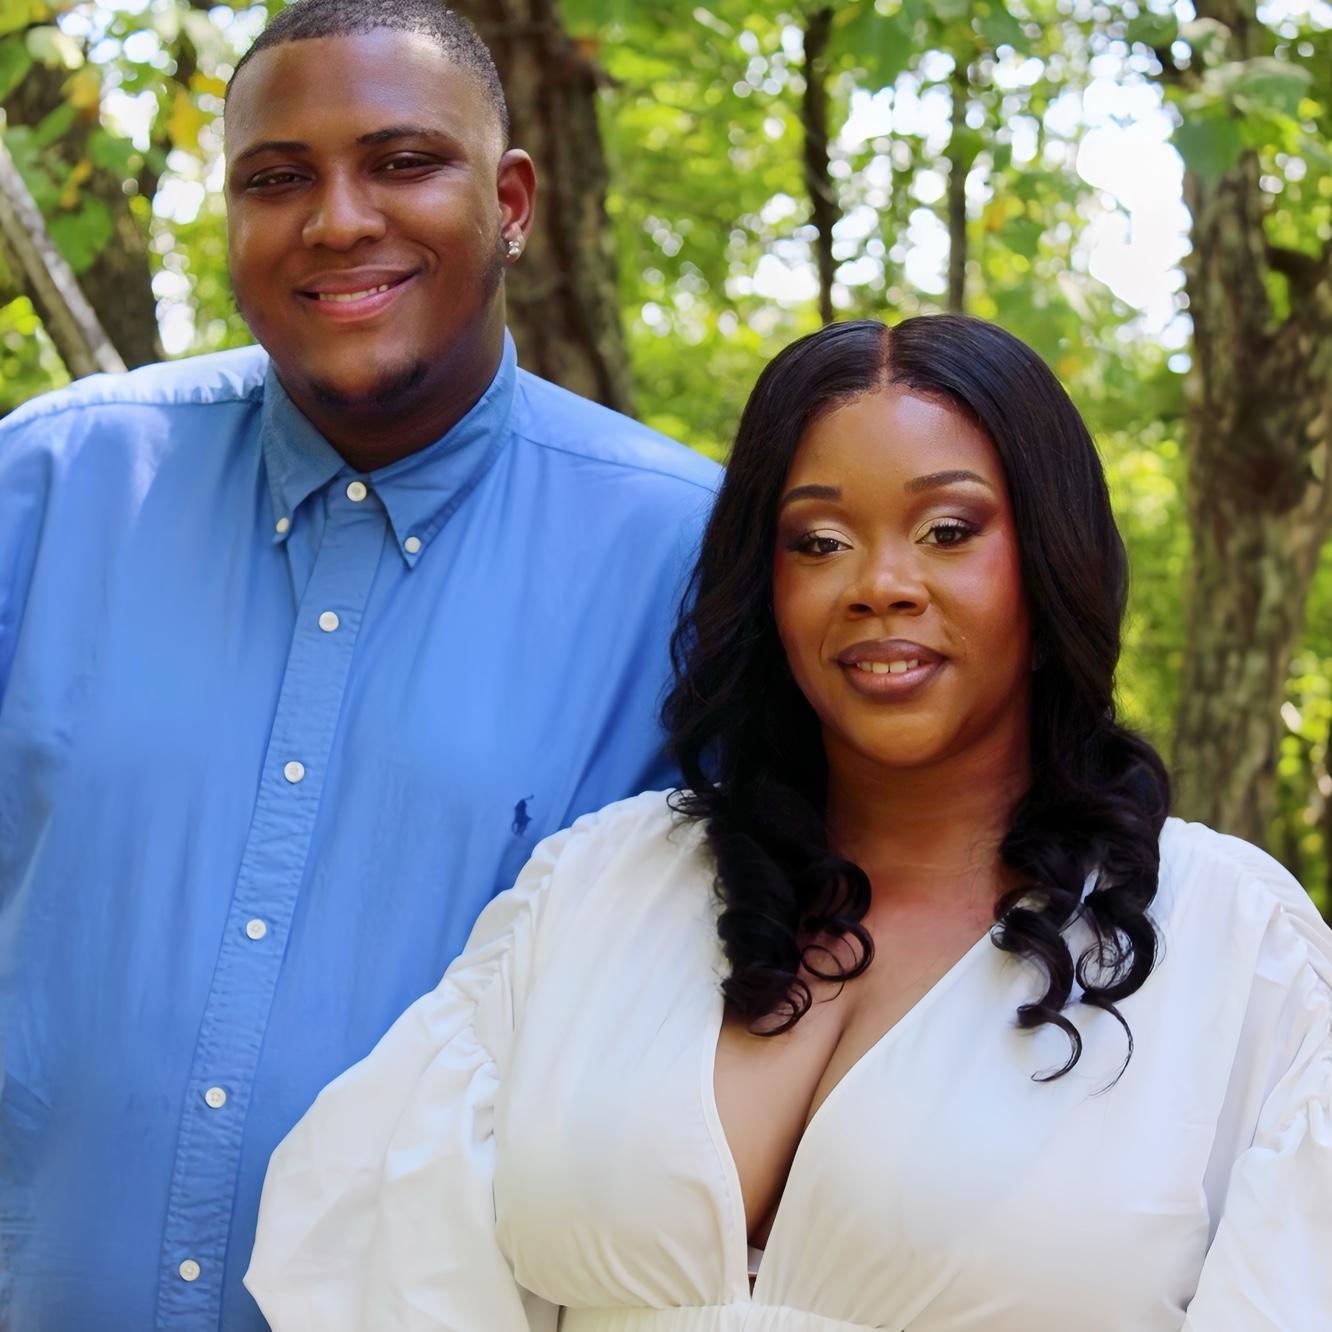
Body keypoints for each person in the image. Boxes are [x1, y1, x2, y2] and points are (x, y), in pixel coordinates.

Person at [247, 314, 1332, 1332]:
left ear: (1053, 562)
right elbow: (392, 1265)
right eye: (817, 542)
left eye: (948, 530)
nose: (881, 584)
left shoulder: (1237, 946)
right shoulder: (600, 885)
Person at [0, 2, 717, 1328]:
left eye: (403, 162)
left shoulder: (684, 563)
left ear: (510, 202)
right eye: (277, 179)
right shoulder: (45, 490)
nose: (336, 221)